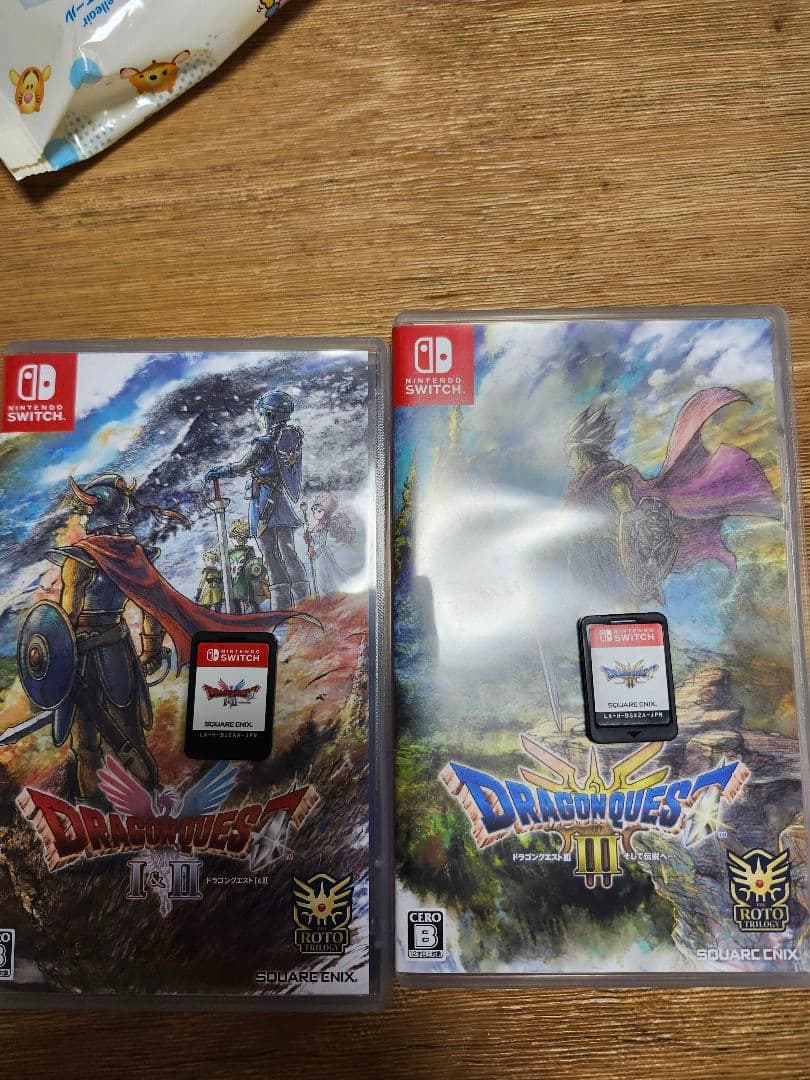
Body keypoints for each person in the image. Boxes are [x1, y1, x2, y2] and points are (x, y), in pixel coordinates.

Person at [564, 387, 781, 602]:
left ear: (581, 454)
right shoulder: (588, 488)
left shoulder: (615, 485)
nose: (569, 462)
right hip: (596, 567)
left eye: (570, 455)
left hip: (617, 571)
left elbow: (634, 530)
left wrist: (641, 576)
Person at [205, 390, 310, 609]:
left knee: (270, 554)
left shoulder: (264, 444)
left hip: (263, 501)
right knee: (288, 551)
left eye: (263, 414)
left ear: (270, 415)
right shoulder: (290, 439)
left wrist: (219, 471)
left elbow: (241, 467)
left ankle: (282, 606)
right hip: (278, 500)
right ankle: (304, 601)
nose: (261, 418)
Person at [304, 492, 357, 595]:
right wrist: (306, 532)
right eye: (314, 510)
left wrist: (313, 551)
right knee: (320, 576)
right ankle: (324, 596)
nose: (315, 513)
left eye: (319, 511)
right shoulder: (317, 526)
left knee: (322, 576)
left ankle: (325, 596)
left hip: (320, 555)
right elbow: (310, 540)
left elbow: (320, 543)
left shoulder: (322, 527)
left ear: (326, 512)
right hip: (316, 555)